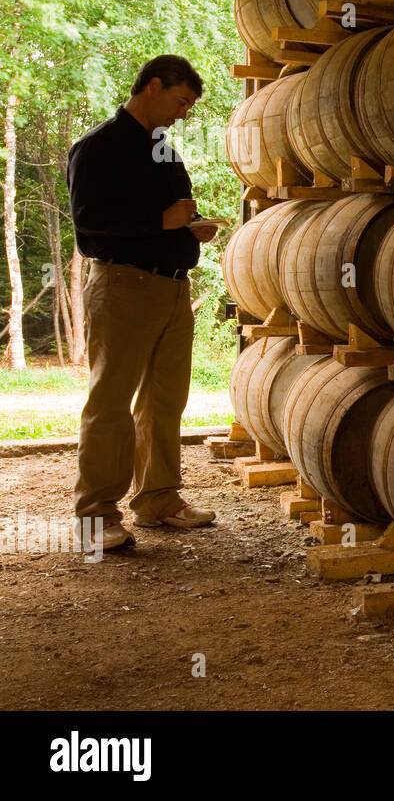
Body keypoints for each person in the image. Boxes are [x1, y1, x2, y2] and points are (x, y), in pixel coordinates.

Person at [67, 55, 220, 552]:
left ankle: (158, 499)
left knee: (164, 401)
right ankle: (95, 516)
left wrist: (193, 228)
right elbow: (90, 221)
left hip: (175, 289)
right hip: (123, 287)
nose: (183, 114)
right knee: (111, 402)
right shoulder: (97, 147)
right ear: (152, 86)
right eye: (180, 102)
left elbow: (174, 212)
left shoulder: (164, 149)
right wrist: (164, 222)